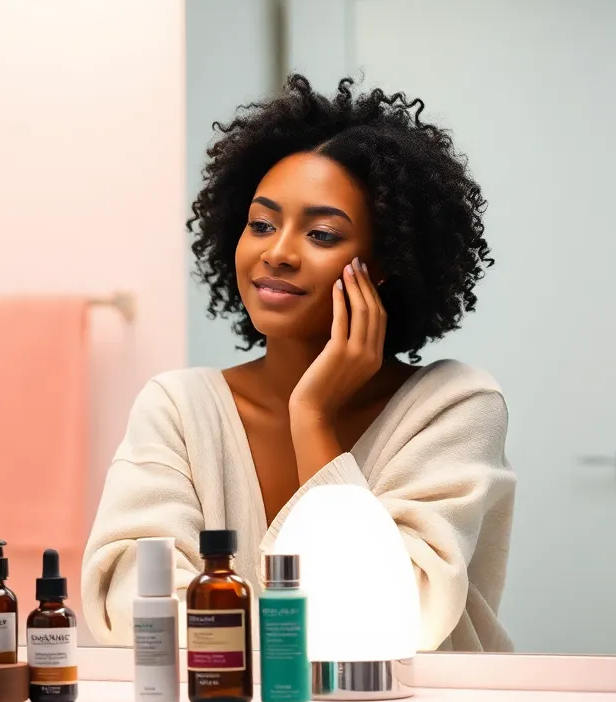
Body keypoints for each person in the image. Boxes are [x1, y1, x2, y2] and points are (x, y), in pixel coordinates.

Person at [81, 75, 516, 652]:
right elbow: (133, 603)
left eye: (321, 233)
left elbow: (396, 617)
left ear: (384, 261)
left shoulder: (454, 408)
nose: (278, 252)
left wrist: (310, 416)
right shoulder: (179, 410)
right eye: (261, 224)